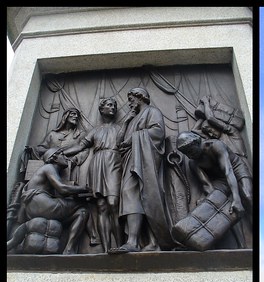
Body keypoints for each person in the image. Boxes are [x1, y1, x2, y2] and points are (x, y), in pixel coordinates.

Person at [112, 87, 171, 253]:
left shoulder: (152, 112)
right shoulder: (133, 118)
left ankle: (137, 241)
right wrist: (126, 121)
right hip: (131, 159)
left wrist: (133, 139)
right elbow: (119, 142)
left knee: (141, 195)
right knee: (132, 195)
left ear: (141, 97)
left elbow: (158, 132)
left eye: (132, 99)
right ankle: (144, 241)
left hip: (145, 160)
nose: (129, 102)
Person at [61, 97, 123, 252]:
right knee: (101, 206)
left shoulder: (121, 128)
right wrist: (58, 152)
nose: (112, 108)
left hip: (114, 161)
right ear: (101, 110)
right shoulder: (95, 131)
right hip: (98, 164)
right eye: (109, 105)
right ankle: (107, 249)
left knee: (113, 203)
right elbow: (80, 146)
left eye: (114, 105)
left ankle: (121, 246)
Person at [171, 131, 246, 250]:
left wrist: (236, 198)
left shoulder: (215, 146)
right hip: (220, 180)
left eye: (190, 151)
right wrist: (213, 201)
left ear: (196, 142)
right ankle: (200, 240)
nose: (190, 156)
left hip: (235, 170)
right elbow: (207, 185)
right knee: (207, 204)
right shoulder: (194, 164)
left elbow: (228, 171)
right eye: (187, 154)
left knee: (248, 195)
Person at [7, 149, 91, 254]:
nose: (66, 158)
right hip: (43, 204)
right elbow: (63, 189)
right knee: (80, 205)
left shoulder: (45, 171)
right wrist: (86, 189)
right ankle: (87, 240)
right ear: (54, 158)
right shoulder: (49, 167)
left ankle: (69, 249)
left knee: (81, 213)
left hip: (34, 209)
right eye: (63, 155)